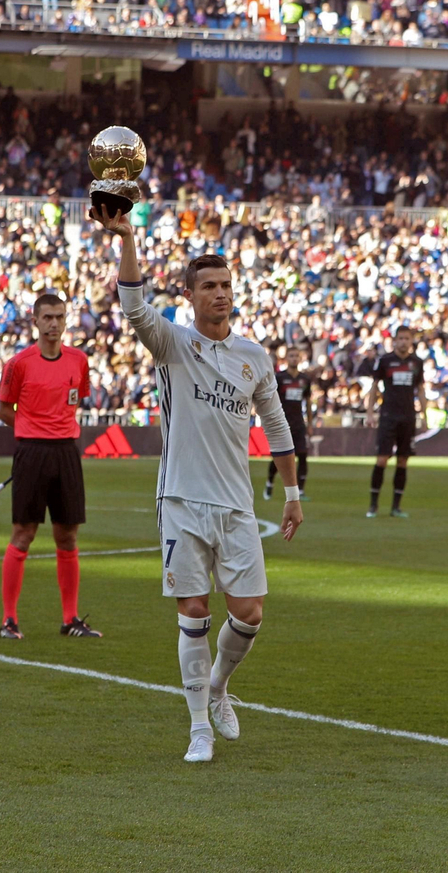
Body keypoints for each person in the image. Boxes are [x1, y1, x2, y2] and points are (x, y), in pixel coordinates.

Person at [91, 204, 303, 765]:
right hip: (182, 499)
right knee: (192, 609)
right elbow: (134, 307)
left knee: (251, 611)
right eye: (208, 285)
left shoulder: (252, 357)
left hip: (235, 504)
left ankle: (218, 687)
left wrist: (292, 494)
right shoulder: (173, 345)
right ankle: (197, 730)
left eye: (226, 285)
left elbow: (277, 426)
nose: (220, 294)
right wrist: (128, 238)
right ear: (189, 295)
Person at [0, 293, 98, 640]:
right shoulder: (18, 363)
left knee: (67, 536)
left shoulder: (78, 361)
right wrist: (32, 429)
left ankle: (70, 619)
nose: (54, 323)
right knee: (23, 534)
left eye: (59, 317)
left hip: (66, 452)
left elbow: (75, 401)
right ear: (36, 321)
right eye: (48, 317)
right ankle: (9, 619)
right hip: (32, 452)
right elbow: (4, 410)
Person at [363, 326, 424, 519]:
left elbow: (420, 389)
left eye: (407, 338)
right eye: (401, 338)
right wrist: (370, 412)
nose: (404, 342)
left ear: (411, 341)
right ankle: (373, 505)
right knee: (382, 459)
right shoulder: (385, 361)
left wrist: (424, 414)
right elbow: (374, 387)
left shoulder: (417, 363)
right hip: (389, 415)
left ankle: (396, 507)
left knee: (403, 461)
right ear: (395, 340)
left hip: (408, 417)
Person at [264, 343, 312, 502]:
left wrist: (310, 423)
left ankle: (300, 490)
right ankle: (270, 482)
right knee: (280, 456)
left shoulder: (304, 379)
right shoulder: (279, 378)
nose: (294, 358)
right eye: (291, 356)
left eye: (296, 356)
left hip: (298, 423)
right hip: (282, 423)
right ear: (286, 359)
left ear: (300, 358)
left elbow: (308, 402)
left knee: (303, 455)